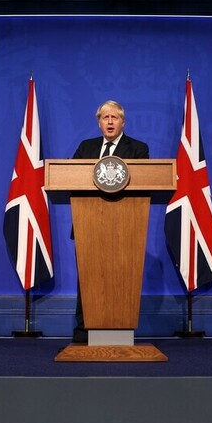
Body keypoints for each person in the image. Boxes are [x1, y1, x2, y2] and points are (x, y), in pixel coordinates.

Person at [71, 100, 149, 343]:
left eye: (115, 117)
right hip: (88, 226)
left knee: (123, 278)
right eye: (105, 117)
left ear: (123, 122)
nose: (110, 121)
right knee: (88, 279)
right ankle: (84, 331)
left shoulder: (138, 149)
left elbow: (146, 183)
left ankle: (121, 332)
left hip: (126, 227)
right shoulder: (86, 147)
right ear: (99, 123)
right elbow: (70, 177)